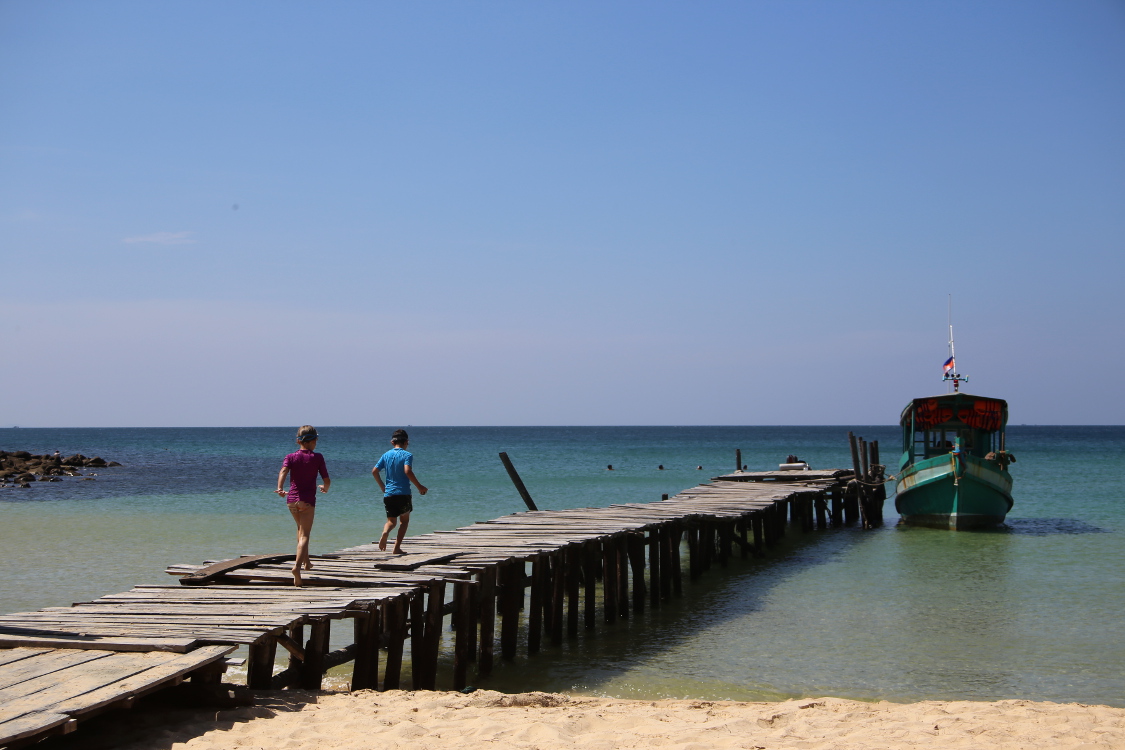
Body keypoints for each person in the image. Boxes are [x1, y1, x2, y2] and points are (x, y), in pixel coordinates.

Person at [275, 425, 330, 586]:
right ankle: (297, 567)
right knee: (305, 534)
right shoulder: (317, 457)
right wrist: (324, 488)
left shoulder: (291, 457)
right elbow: (326, 480)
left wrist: (280, 488)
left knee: (300, 530)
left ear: (298, 440)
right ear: (313, 441)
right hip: (306, 501)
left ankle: (306, 563)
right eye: (316, 440)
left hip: (291, 500)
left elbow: (283, 471)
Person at [372, 429, 427, 554]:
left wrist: (382, 486)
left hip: (389, 494)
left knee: (391, 521)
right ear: (407, 442)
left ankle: (385, 532)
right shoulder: (407, 455)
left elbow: (374, 471)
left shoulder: (386, 455)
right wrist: (420, 487)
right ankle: (396, 548)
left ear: (392, 442)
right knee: (404, 521)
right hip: (403, 494)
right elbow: (407, 471)